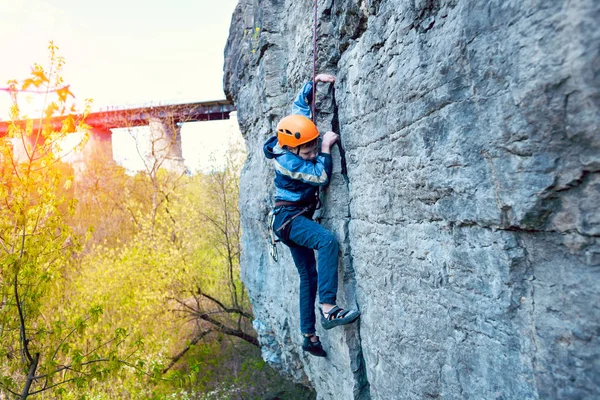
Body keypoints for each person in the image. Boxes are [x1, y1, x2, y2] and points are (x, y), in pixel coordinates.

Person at [263, 74, 360, 357]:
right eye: (308, 150)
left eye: (315, 146)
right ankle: (329, 309)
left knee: (308, 277)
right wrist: (327, 149)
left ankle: (309, 336)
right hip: (290, 221)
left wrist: (312, 85)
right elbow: (320, 176)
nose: (313, 151)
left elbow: (299, 111)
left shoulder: (292, 140)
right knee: (327, 242)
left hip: (288, 221)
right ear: (293, 149)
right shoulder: (288, 162)